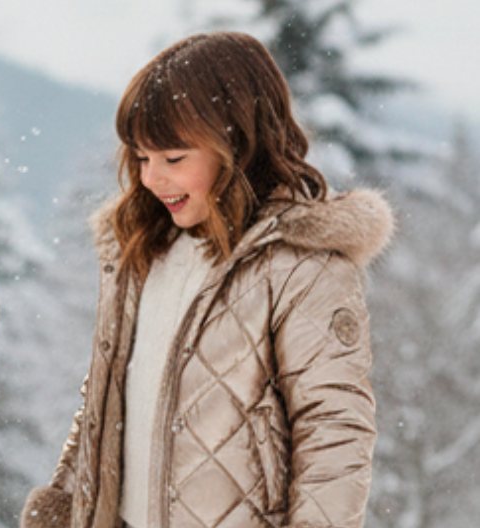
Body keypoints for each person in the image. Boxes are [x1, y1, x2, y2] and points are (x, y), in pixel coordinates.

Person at [21, 32, 393, 528]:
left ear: (238, 145)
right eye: (141, 158)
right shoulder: (141, 250)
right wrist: (65, 502)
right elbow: (104, 402)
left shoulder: (302, 267)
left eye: (174, 159)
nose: (152, 179)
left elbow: (334, 433)